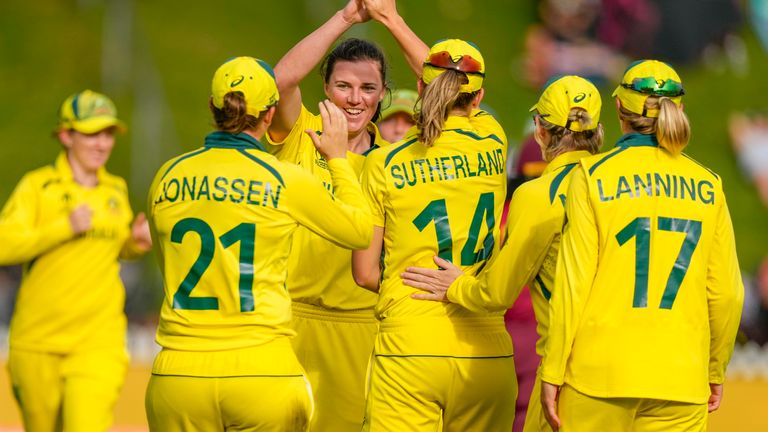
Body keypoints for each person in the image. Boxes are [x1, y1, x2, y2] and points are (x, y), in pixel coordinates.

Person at [144, 56, 372, 431]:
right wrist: (337, 160)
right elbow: (360, 231)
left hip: (178, 373)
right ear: (269, 115)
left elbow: (165, 257)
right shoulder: (282, 179)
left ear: (212, 106)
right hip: (261, 369)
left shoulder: (166, 176)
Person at [540, 60, 744, 431]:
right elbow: (728, 294)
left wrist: (553, 369)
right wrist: (715, 368)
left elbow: (572, 286)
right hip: (682, 379)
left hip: (599, 375)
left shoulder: (592, 176)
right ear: (679, 109)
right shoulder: (709, 185)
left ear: (619, 109)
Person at [401, 75, 604, 432]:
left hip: (571, 371)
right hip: (644, 364)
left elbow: (498, 293)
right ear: (599, 130)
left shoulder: (537, 195)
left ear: (540, 130)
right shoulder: (617, 186)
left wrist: (456, 285)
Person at [264, 1, 426, 430]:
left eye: (368, 89)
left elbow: (451, 88)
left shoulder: (395, 161)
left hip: (360, 328)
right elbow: (279, 81)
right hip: (288, 321)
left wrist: (392, 19)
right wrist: (348, 16)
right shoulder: (303, 133)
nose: (355, 99)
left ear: (383, 94)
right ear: (325, 87)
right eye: (343, 86)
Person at [352, 38, 516, 431]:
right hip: (486, 347)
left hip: (409, 347)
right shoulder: (493, 139)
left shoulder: (383, 162)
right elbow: (451, 84)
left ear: (421, 89)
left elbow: (364, 273)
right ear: (478, 98)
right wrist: (395, 21)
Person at [0, 89, 152, 432]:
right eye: (92, 133)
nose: (102, 144)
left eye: (108, 133)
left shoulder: (116, 190)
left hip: (98, 341)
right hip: (37, 343)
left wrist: (134, 244)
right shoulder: (37, 187)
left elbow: (113, 248)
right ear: (67, 136)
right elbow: (4, 245)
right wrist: (62, 227)